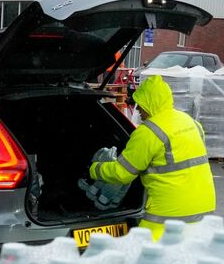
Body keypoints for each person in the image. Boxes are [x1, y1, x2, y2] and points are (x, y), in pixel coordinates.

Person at [89, 74, 215, 240]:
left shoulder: (149, 132)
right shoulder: (190, 122)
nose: (138, 110)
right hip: (203, 211)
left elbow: (122, 173)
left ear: (150, 102)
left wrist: (95, 169)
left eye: (140, 105)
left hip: (167, 217)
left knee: (144, 257)